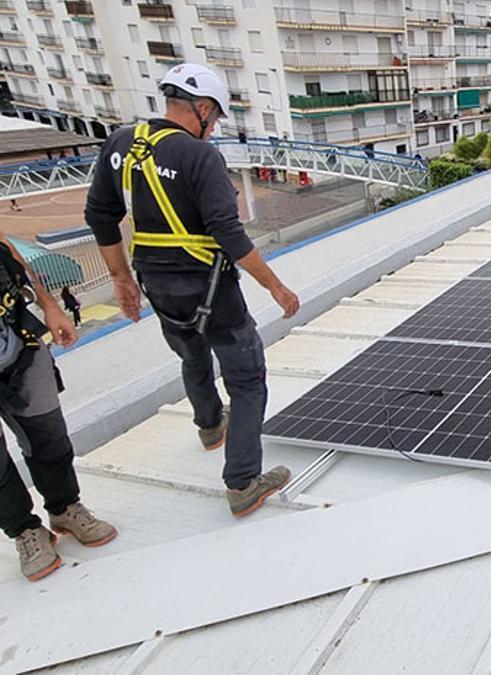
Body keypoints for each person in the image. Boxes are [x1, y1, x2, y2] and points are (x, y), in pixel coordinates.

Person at [84, 63, 300, 518]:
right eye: (216, 117)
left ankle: (208, 426)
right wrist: (277, 287)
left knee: (191, 355)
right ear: (202, 108)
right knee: (246, 379)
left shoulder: (121, 144)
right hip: (210, 290)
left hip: (155, 284)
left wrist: (120, 279)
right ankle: (243, 481)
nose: (214, 126)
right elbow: (229, 234)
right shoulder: (200, 157)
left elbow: (100, 215)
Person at [0, 235, 117, 581]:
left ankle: (65, 509)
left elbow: (8, 251)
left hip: (19, 348)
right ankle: (25, 531)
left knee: (48, 434)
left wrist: (49, 305)